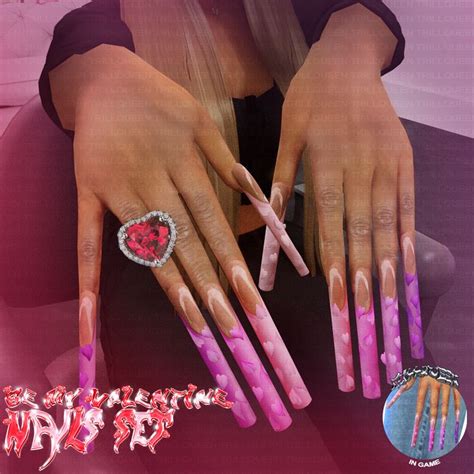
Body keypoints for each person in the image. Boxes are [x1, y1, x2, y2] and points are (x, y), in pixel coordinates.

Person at [0, 0, 439, 471]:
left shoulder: (285, 9)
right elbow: (80, 58)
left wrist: (351, 51)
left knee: (416, 439)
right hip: (169, 284)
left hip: (282, 252)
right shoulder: (103, 20)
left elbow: (367, 15)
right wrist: (99, 84)